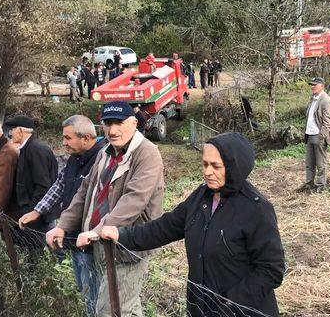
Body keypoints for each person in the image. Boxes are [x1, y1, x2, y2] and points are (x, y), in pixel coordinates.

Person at [100, 132, 285, 317]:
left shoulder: (256, 209)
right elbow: (164, 228)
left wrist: (230, 307)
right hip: (201, 307)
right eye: (205, 164)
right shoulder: (201, 197)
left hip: (241, 312)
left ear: (234, 167)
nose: (207, 172)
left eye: (215, 166)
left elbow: (271, 269)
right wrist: (121, 234)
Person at [46, 101, 164, 317]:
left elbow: (134, 200)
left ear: (134, 123)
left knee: (111, 310)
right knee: (124, 307)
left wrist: (97, 230)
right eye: (107, 123)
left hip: (127, 246)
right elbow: (84, 192)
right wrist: (62, 226)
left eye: (119, 123)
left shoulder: (147, 153)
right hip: (102, 245)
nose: (112, 130)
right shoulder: (106, 153)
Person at [18, 115, 105, 314]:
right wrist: (37, 211)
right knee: (84, 288)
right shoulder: (75, 158)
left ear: (85, 138)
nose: (63, 143)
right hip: (72, 235)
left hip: (90, 239)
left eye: (68, 138)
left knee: (94, 290)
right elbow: (59, 185)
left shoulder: (102, 159)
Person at [5, 115, 58, 240]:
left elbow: (43, 186)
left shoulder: (35, 150)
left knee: (41, 251)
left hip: (39, 216)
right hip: (33, 213)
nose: (10, 134)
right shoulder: (28, 148)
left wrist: (33, 212)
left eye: (11, 130)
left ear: (20, 130)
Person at [300, 77, 330, 193]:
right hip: (310, 134)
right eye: (311, 85)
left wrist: (322, 136)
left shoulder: (325, 100)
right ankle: (309, 184)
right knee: (309, 162)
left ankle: (321, 185)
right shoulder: (313, 98)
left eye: (315, 85)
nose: (312, 87)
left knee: (321, 163)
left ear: (322, 86)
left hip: (318, 135)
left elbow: (328, 121)